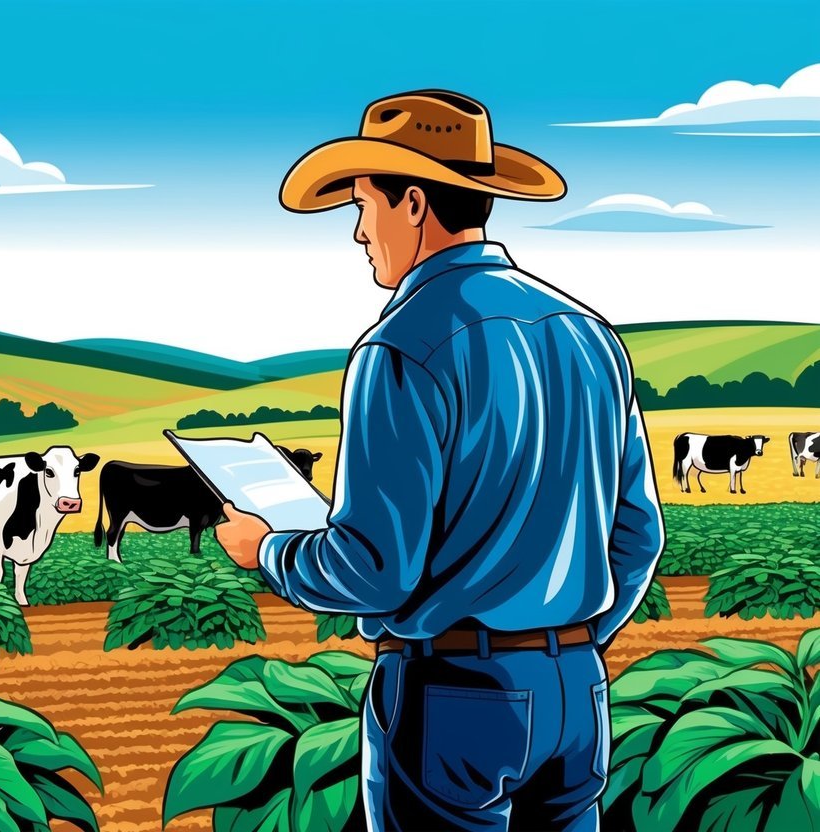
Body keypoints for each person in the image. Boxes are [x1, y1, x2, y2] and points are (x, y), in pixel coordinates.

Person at [215, 90, 665, 831]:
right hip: (578, 690)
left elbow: (374, 568)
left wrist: (266, 549)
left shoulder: (401, 345)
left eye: (364, 206)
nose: (359, 233)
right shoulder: (589, 334)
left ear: (414, 204)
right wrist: (566, 637)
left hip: (450, 695)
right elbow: (637, 532)